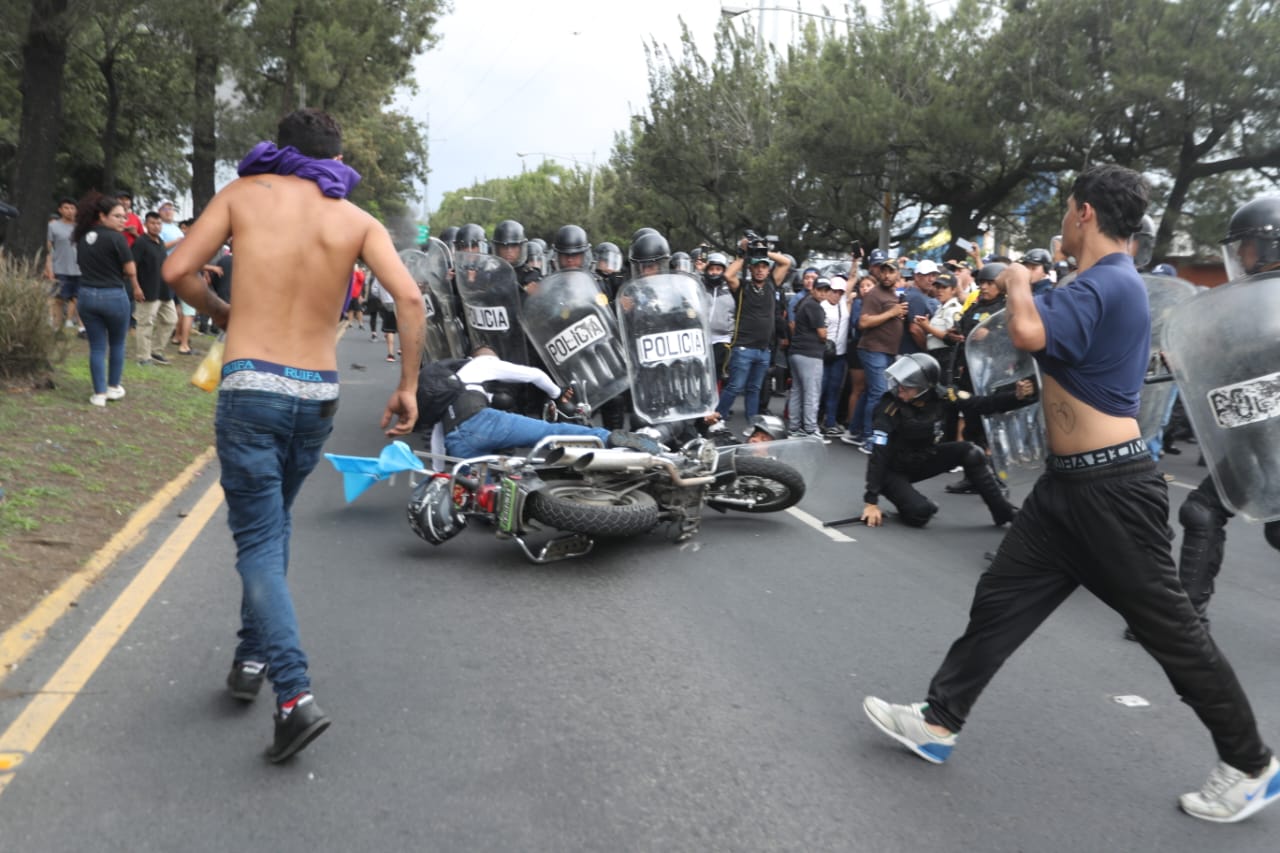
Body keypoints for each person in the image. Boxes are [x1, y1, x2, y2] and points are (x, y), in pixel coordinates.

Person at [861, 164, 1280, 824]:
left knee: (1172, 633)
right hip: (1067, 487)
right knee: (999, 601)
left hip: (1113, 490)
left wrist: (1017, 279)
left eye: (1066, 209)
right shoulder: (1093, 285)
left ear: (1084, 212)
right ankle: (939, 719)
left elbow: (1027, 334)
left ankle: (1250, 763)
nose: (1062, 220)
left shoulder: (1110, 281)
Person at [163, 108, 426, 763]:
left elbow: (176, 271)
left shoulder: (245, 194)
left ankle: (293, 694)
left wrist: (222, 311)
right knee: (273, 524)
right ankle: (251, 656)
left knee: (258, 538)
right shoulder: (355, 219)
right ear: (335, 158)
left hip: (252, 383)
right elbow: (409, 299)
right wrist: (408, 385)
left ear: (282, 149)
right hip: (316, 392)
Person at [1138, 196, 1280, 637]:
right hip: (1255, 438)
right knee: (1201, 511)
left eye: (1246, 247)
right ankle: (1185, 623)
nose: (1240, 257)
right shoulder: (1249, 302)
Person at [856, 352, 1025, 528]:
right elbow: (878, 453)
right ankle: (920, 503)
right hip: (892, 470)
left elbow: (982, 404)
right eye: (899, 384)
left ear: (924, 388)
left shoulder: (943, 396)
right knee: (920, 512)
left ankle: (1003, 512)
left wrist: (1017, 397)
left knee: (971, 452)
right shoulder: (888, 407)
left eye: (907, 387)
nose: (900, 390)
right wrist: (871, 502)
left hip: (922, 458)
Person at [422, 347, 662, 461]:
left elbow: (437, 438)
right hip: (483, 423)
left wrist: (439, 472)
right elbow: (535, 375)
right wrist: (557, 394)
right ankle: (610, 438)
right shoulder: (482, 362)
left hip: (457, 442)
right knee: (551, 432)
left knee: (489, 492)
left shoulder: (451, 384)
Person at [714, 235, 791, 430]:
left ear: (768, 269)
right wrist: (744, 254)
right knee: (735, 386)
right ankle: (716, 420)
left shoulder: (772, 283)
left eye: (764, 266)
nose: (760, 270)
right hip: (743, 348)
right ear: (750, 268)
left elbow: (786, 262)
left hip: (764, 349)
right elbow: (728, 275)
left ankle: (752, 425)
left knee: (754, 389)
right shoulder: (743, 287)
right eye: (757, 266)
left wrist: (764, 251)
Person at [74, 193, 143, 406]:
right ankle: (113, 387)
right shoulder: (117, 238)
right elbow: (130, 269)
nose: (123, 221)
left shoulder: (82, 237)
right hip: (113, 295)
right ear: (102, 216)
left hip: (86, 295)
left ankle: (99, 394)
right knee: (117, 343)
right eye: (117, 216)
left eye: (124, 216)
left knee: (96, 346)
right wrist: (135, 286)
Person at [841, 250, 907, 450]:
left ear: (898, 274)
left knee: (871, 392)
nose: (886, 275)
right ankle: (870, 438)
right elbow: (863, 322)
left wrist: (897, 315)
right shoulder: (874, 294)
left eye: (891, 271)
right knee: (879, 393)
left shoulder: (894, 294)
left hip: (886, 350)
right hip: (873, 349)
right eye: (884, 271)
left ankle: (855, 431)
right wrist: (892, 313)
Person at [131, 211, 178, 366]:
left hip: (164, 290)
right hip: (147, 291)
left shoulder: (161, 242)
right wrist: (136, 287)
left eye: (158, 223)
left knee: (171, 320)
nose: (156, 226)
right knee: (145, 324)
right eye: (152, 223)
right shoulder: (140, 243)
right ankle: (143, 358)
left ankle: (156, 351)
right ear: (146, 224)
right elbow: (132, 266)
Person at [785, 276, 829, 438]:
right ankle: (810, 429)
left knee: (797, 391)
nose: (823, 293)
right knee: (812, 393)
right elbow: (822, 334)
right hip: (810, 353)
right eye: (820, 289)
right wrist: (827, 337)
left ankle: (794, 427)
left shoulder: (805, 302)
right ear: (814, 290)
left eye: (826, 290)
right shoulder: (814, 306)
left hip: (797, 352)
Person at [44, 197, 81, 332]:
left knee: (79, 299)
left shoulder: (81, 227)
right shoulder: (53, 226)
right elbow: (49, 250)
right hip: (60, 268)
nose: (69, 211)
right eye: (66, 208)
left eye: (72, 208)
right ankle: (56, 328)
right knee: (59, 299)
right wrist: (49, 268)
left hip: (80, 269)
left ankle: (82, 328)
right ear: (60, 210)